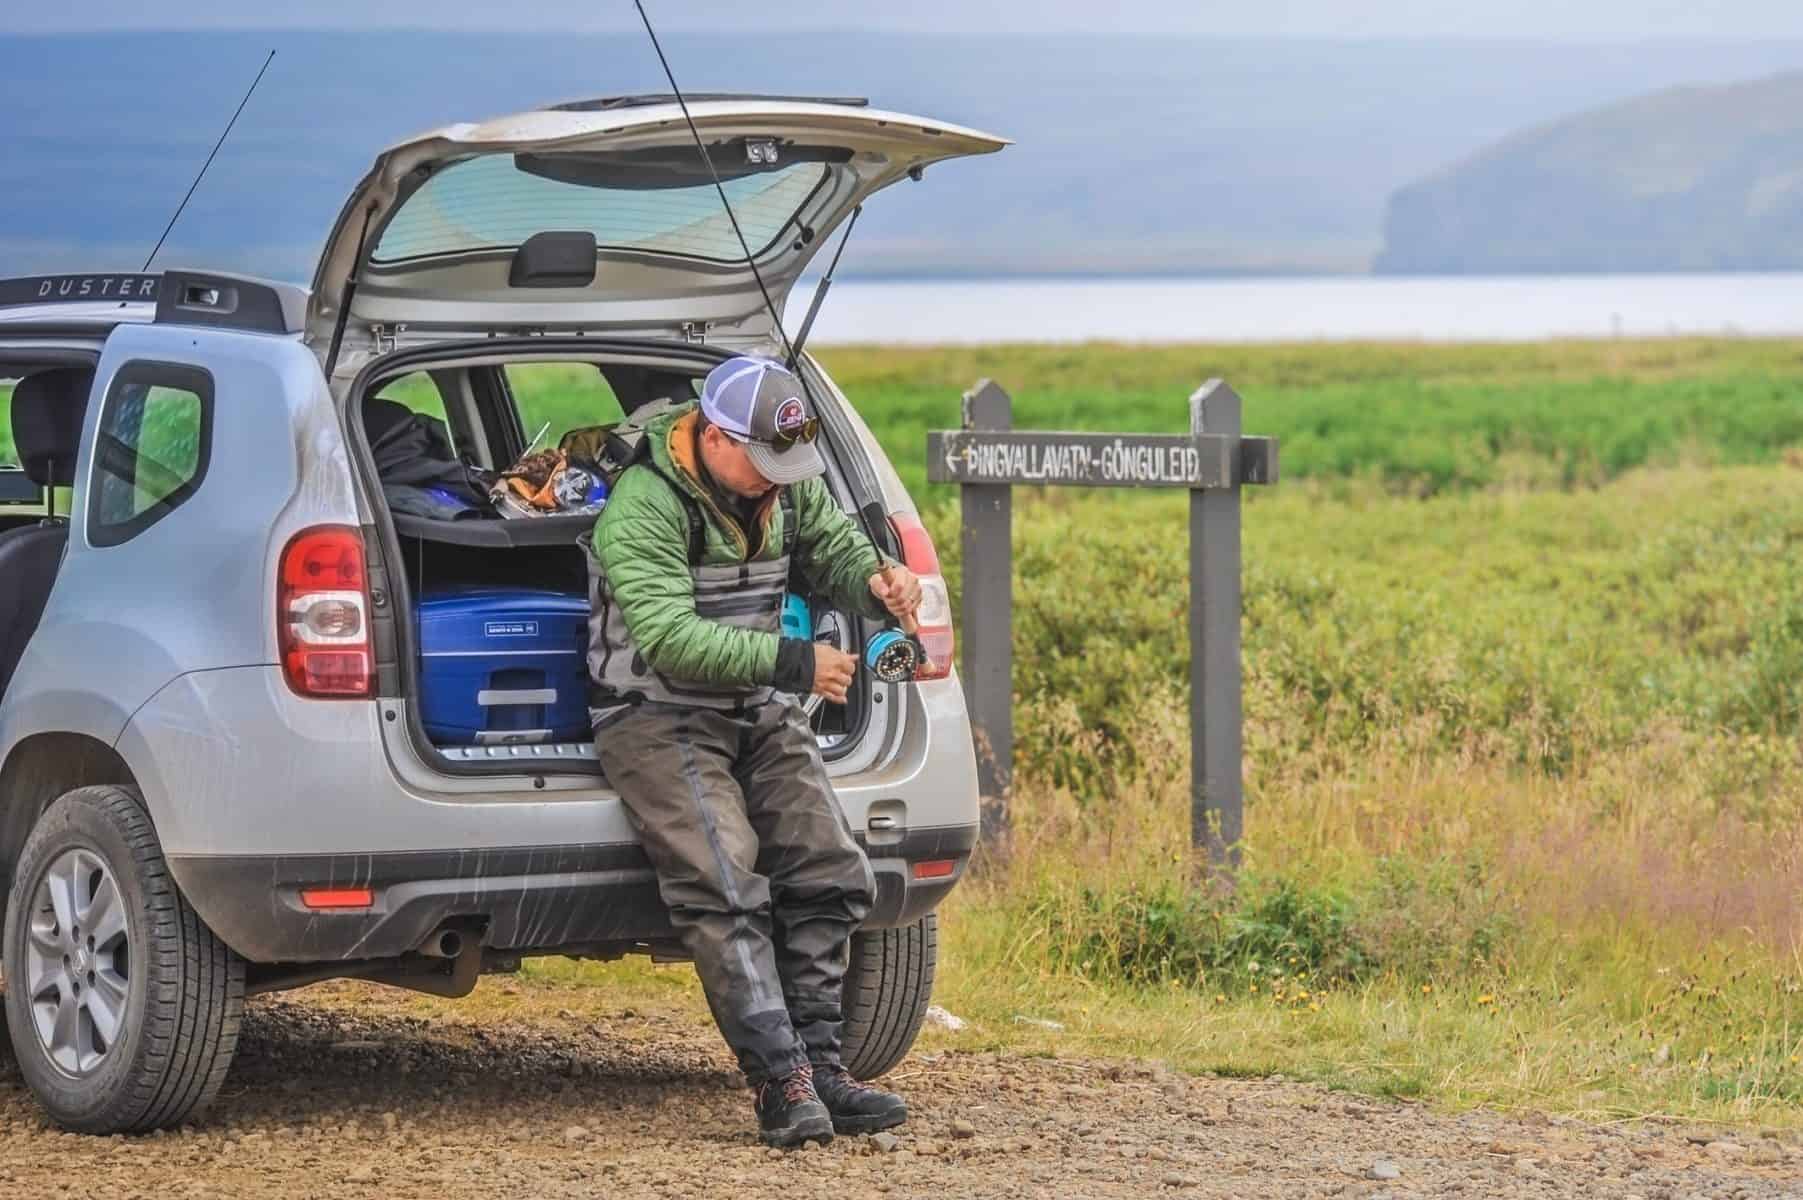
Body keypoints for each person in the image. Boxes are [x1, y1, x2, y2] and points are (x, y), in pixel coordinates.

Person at [585, 355, 923, 1148]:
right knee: (724, 881)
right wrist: (798, 664)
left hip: (755, 707)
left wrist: (877, 583)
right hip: (654, 715)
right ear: (714, 437)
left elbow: (834, 551)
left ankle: (824, 1069)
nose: (779, 481)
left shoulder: (783, 481)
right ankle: (780, 1081)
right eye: (765, 463)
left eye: (787, 465)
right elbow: (669, 640)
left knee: (832, 869)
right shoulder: (640, 506)